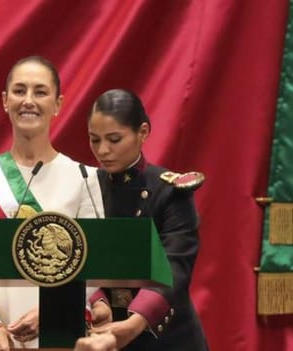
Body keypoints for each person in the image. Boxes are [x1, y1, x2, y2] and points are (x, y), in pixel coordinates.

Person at [0, 55, 104, 351]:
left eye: (40, 91)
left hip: (58, 332)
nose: (29, 100)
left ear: (58, 104)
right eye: (19, 91)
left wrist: (52, 312)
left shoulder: (85, 178)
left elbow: (96, 264)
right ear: (5, 100)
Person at [86, 89, 208, 350]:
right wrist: (97, 302)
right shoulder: (87, 186)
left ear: (143, 132)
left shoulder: (169, 191)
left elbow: (175, 267)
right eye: (94, 140)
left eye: (114, 139)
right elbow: (78, 257)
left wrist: (136, 322)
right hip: (101, 333)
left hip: (165, 338)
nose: (103, 150)